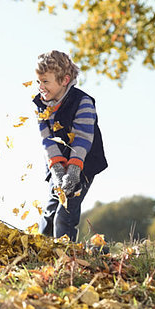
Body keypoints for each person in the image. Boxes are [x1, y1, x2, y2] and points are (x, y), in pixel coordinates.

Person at [33, 50, 107, 242]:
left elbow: (82, 139)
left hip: (83, 163)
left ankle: (65, 255)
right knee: (49, 212)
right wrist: (57, 169)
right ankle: (40, 252)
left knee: (64, 216)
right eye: (38, 81)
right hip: (57, 162)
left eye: (46, 82)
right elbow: (47, 140)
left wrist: (73, 170)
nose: (41, 87)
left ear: (65, 80)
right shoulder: (42, 105)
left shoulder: (82, 103)